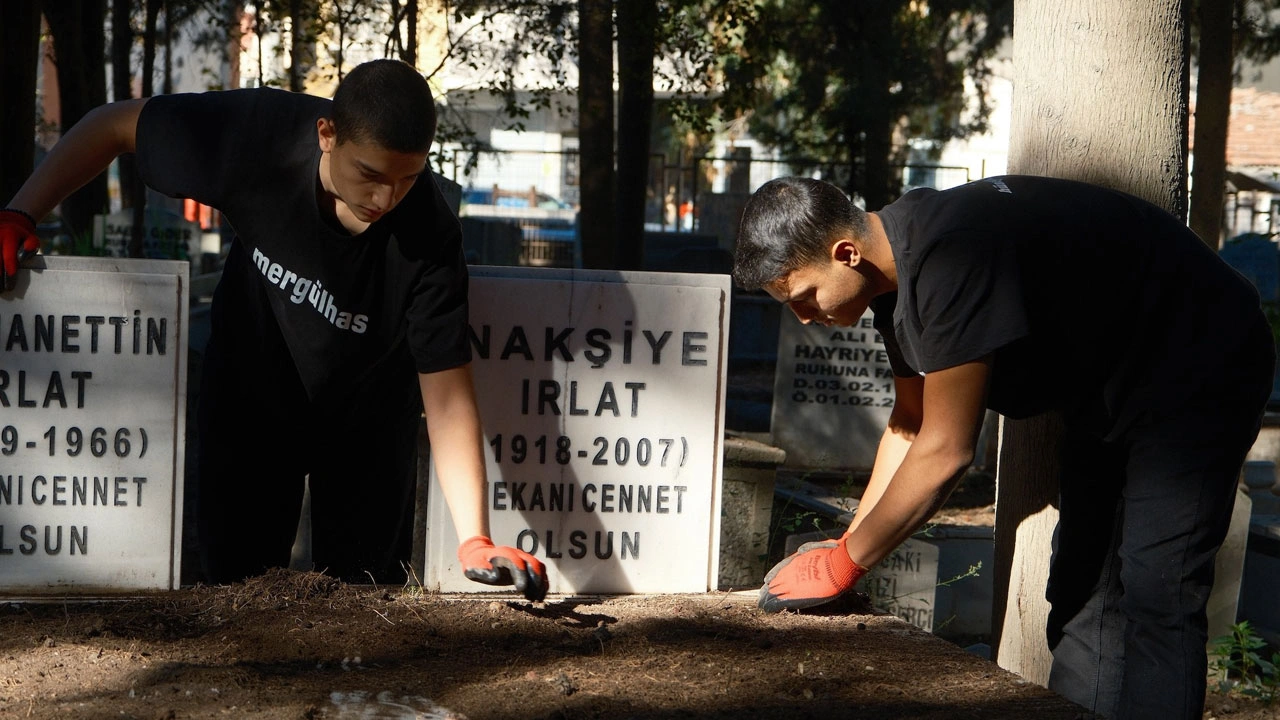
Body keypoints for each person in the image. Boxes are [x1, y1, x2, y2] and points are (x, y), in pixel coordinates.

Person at [0, 59, 547, 600]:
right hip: (250, 397)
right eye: (371, 176)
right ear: (327, 135)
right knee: (235, 595)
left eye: (406, 179)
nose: (386, 199)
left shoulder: (430, 236)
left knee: (366, 614)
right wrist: (20, 214)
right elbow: (115, 125)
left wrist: (475, 537)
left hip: (369, 426)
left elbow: (448, 394)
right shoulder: (256, 137)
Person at [734, 175, 1274, 720]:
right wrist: (847, 543)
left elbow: (945, 450)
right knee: (1081, 591)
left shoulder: (950, 255)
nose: (805, 317)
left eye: (804, 297)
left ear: (844, 253)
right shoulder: (892, 279)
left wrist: (843, 568)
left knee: (1160, 594)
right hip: (1110, 389)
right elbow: (909, 425)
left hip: (1201, 365)